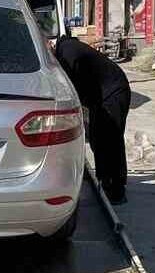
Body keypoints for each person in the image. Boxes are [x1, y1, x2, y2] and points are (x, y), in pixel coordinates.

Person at [55, 35, 132, 204]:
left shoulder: (67, 53)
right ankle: (104, 179)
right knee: (97, 136)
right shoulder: (67, 49)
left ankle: (117, 188)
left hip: (113, 93)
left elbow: (68, 88)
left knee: (111, 140)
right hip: (100, 96)